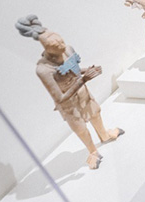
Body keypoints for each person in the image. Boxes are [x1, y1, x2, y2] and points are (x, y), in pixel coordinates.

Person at [16, 15, 124, 170]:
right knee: (80, 128)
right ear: (48, 50)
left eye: (62, 42)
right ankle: (92, 151)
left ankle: (104, 135)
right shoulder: (43, 69)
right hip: (68, 104)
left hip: (83, 93)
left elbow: (74, 70)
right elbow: (60, 98)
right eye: (57, 46)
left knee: (95, 112)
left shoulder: (67, 49)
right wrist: (83, 80)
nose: (62, 47)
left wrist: (88, 71)